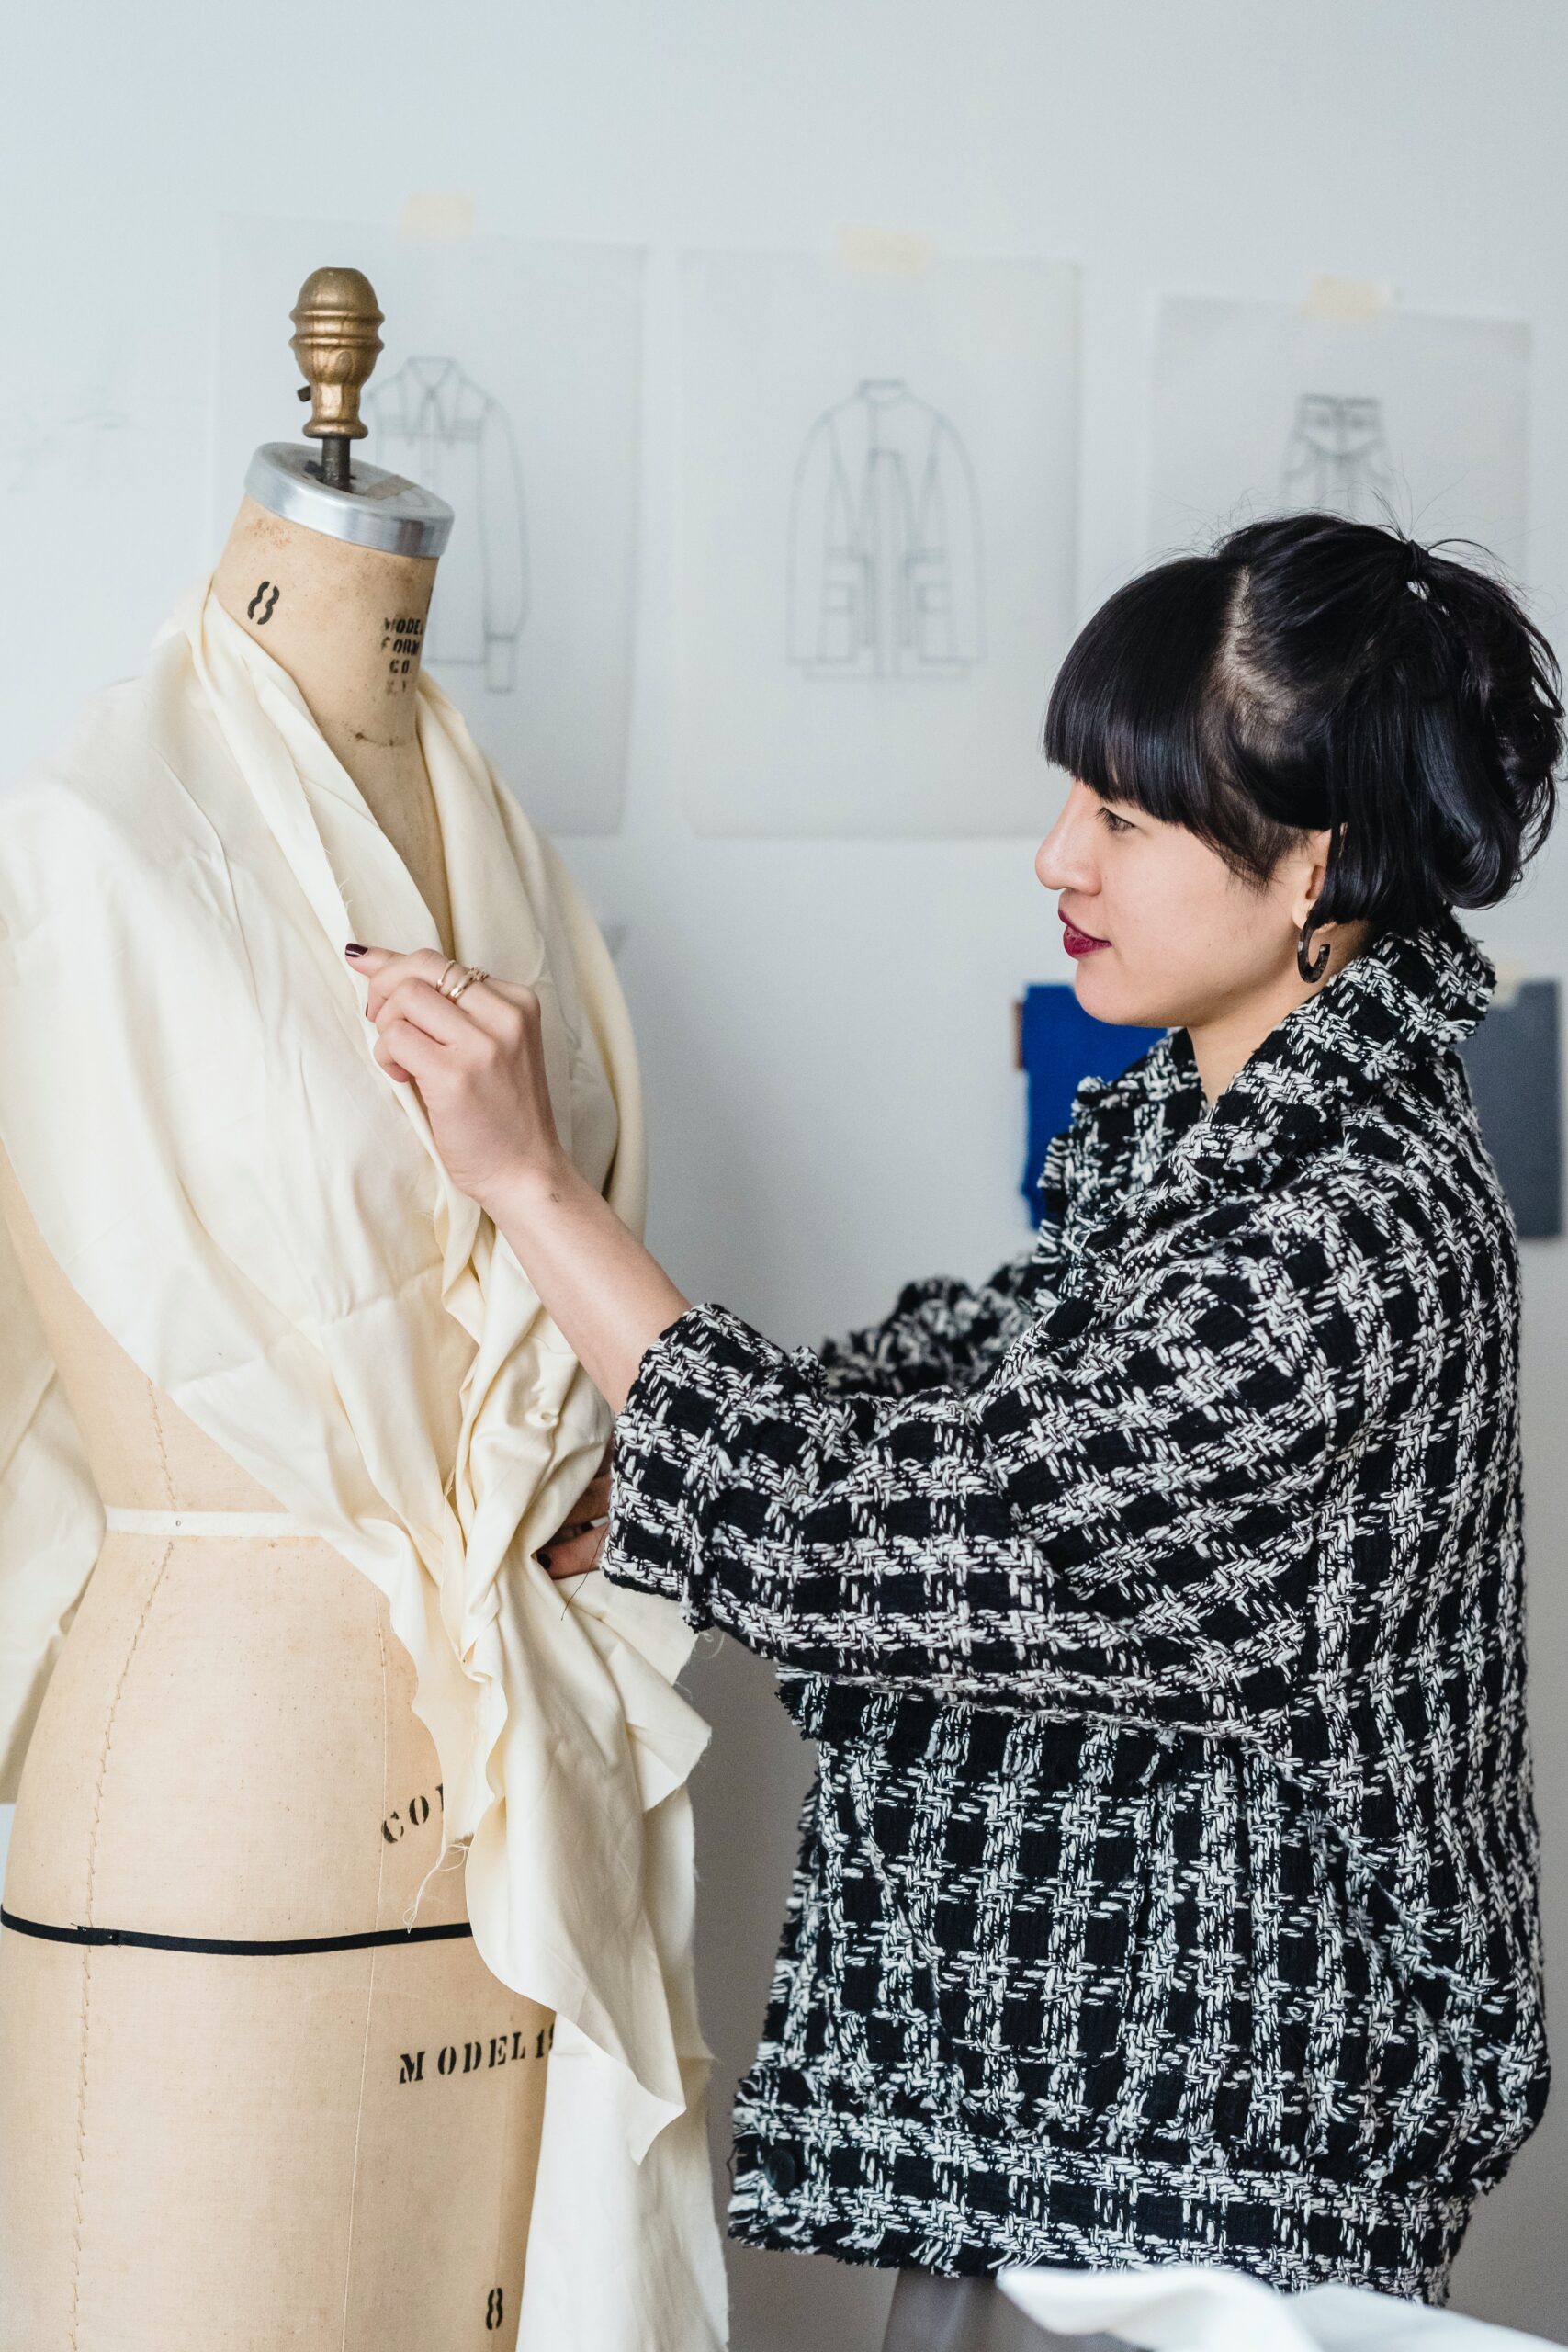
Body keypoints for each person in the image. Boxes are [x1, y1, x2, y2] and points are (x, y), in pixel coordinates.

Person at [343, 511, 1559, 2341]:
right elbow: (970, 1382)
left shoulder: (1341, 1228)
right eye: (1072, 791)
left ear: (1307, 859)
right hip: (1099, 2109)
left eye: (1126, 816)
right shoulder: (1213, 1126)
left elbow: (921, 1536)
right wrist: (668, 1461)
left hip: (1211, 2162)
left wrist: (532, 1186)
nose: (1057, 854)